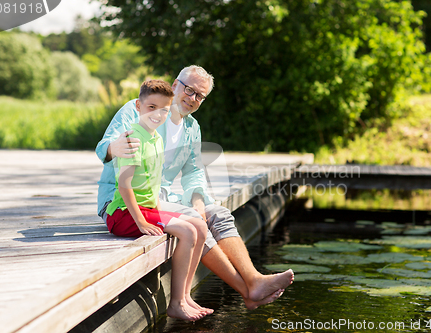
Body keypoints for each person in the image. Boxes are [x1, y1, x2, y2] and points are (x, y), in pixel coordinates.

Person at [96, 65, 294, 310]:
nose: (193, 98)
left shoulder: (192, 128)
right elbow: (105, 144)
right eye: (189, 90)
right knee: (193, 219)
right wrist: (114, 147)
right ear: (175, 84)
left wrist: (199, 198)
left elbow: (193, 171)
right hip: (125, 201)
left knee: (217, 213)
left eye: (200, 96)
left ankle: (254, 279)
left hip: (161, 197)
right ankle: (246, 290)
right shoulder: (143, 108)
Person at [105, 79, 211, 321]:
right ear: (138, 106)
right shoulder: (133, 139)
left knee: (200, 227)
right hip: (123, 214)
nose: (158, 114)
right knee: (188, 232)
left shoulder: (156, 139)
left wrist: (163, 212)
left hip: (147, 209)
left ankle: (185, 296)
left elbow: (152, 184)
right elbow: (124, 185)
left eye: (164, 109)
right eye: (151, 107)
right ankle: (175, 304)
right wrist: (142, 222)